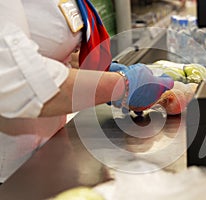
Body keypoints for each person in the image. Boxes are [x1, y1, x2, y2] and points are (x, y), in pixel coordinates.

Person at [0, 0, 174, 183]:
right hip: (10, 171)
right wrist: (120, 86)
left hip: (49, 152)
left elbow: (49, 47)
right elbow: (14, 81)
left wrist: (98, 73)